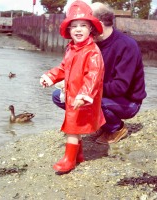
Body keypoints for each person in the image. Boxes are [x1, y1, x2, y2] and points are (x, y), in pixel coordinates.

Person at [52, 2, 147, 145]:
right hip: (104, 94)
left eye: (86, 24)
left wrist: (85, 91)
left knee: (90, 101)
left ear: (99, 24)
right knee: (59, 97)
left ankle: (117, 128)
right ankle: (102, 123)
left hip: (128, 101)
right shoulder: (88, 46)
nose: (83, 29)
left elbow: (120, 87)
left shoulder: (126, 46)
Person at [40, 0, 105, 174]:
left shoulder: (92, 52)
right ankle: (79, 155)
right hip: (72, 95)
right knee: (74, 126)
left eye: (83, 25)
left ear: (91, 28)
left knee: (71, 127)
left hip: (82, 97)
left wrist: (84, 95)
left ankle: (69, 160)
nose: (78, 29)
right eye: (74, 26)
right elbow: (63, 68)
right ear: (68, 30)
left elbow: (94, 75)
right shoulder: (72, 49)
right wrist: (51, 76)